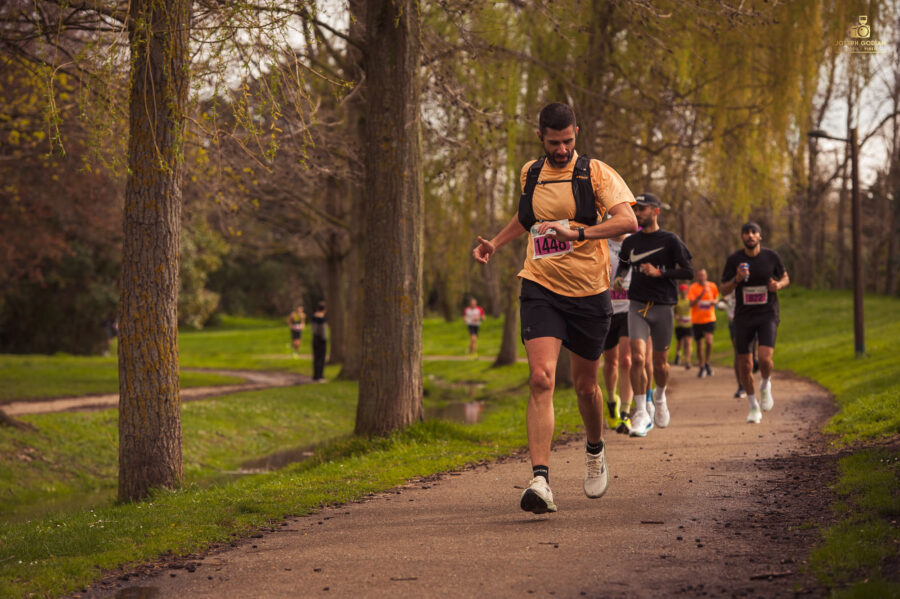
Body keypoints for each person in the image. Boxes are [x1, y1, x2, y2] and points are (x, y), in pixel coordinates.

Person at [472, 102, 638, 514]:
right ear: (540, 137)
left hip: (589, 292)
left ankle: (595, 449)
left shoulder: (595, 173)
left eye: (567, 141)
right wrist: (496, 243)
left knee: (585, 387)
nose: (561, 149)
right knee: (541, 377)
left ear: (576, 133)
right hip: (540, 285)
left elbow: (627, 222)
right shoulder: (531, 173)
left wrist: (577, 233)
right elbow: (527, 218)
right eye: (553, 142)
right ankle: (540, 480)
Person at [613, 192, 694, 437]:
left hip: (663, 306)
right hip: (637, 305)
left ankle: (659, 397)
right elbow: (624, 264)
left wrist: (661, 273)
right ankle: (640, 413)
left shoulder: (670, 240)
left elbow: (688, 271)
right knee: (637, 358)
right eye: (636, 209)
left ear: (656, 211)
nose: (637, 213)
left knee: (660, 364)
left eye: (643, 209)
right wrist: (619, 278)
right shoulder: (630, 242)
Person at [720, 222, 790, 424]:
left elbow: (785, 277)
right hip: (744, 316)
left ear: (760, 236)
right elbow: (723, 289)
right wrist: (737, 279)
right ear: (742, 237)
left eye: (754, 232)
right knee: (745, 364)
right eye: (746, 233)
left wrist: (778, 285)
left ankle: (766, 384)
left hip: (767, 314)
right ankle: (753, 406)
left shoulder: (771, 257)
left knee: (765, 359)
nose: (750, 235)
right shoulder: (734, 259)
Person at [602, 232, 633, 434]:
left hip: (628, 308)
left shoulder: (635, 242)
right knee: (611, 362)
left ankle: (625, 413)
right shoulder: (600, 242)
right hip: (606, 310)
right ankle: (612, 400)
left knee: (626, 361)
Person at [688, 268, 719, 377]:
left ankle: (707, 363)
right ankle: (701, 366)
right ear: (697, 277)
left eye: (703, 275)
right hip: (697, 319)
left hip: (709, 318)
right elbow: (691, 304)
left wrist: (713, 302)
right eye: (699, 275)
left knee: (709, 341)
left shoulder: (712, 286)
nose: (701, 277)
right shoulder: (693, 287)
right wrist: (700, 296)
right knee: (699, 345)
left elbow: (716, 299)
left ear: (706, 276)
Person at [673, 284, 692, 369]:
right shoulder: (676, 300)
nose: (683, 292)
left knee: (688, 343)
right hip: (679, 325)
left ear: (687, 291)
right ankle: (678, 354)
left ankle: (687, 361)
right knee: (679, 343)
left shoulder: (690, 299)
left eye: (685, 290)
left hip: (688, 325)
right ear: (680, 291)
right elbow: (673, 310)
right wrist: (676, 316)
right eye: (682, 290)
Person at [310, 301, 327, 382]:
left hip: (315, 338)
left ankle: (315, 375)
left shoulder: (313, 317)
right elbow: (323, 330)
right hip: (321, 339)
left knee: (316, 357)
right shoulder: (322, 318)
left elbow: (313, 329)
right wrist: (324, 338)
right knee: (321, 358)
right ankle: (320, 376)